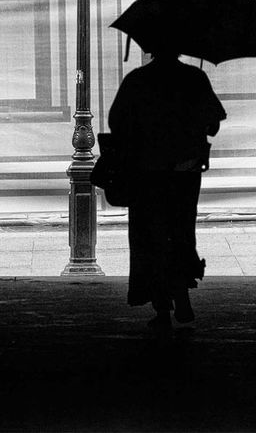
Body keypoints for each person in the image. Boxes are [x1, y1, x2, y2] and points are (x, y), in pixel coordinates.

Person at [108, 47, 226, 329]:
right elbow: (213, 126)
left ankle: (161, 308)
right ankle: (182, 296)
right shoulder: (194, 78)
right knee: (181, 232)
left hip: (146, 174)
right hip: (185, 174)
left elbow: (117, 124)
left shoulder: (137, 80)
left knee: (150, 238)